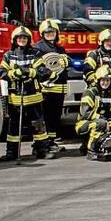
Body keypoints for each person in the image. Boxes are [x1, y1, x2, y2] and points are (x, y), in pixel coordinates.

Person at [0, 26, 53, 160]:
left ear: (28, 40)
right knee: (14, 127)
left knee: (38, 125)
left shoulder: (35, 53)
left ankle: (42, 150)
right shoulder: (8, 55)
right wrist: (13, 73)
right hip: (15, 97)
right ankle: (12, 153)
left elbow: (44, 71)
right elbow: (2, 72)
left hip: (34, 96)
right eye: (19, 38)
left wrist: (31, 72)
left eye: (24, 38)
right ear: (14, 40)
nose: (22, 40)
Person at [33, 19, 67, 150]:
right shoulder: (38, 47)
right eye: (47, 32)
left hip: (59, 89)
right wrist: (49, 73)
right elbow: (37, 67)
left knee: (55, 117)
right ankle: (43, 143)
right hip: (46, 88)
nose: (50, 34)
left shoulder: (60, 48)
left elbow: (63, 65)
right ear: (42, 33)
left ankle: (52, 141)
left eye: (52, 32)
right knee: (45, 116)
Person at [76, 66, 111, 160]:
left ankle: (87, 146)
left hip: (100, 122)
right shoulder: (89, 93)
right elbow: (86, 113)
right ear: (98, 80)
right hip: (83, 124)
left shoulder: (109, 95)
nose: (105, 83)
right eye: (103, 80)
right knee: (100, 123)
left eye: (108, 81)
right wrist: (104, 120)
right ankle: (91, 151)